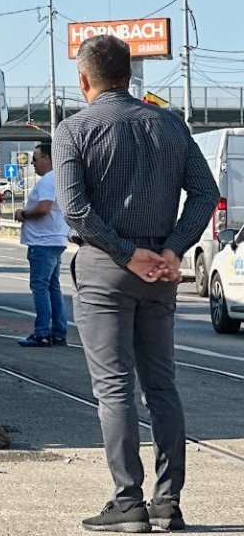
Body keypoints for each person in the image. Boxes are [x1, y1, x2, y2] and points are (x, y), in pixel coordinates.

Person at [53, 34, 217, 533]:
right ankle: (168, 501)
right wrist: (171, 249)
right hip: (160, 274)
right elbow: (205, 193)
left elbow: (74, 207)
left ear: (84, 80)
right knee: (162, 386)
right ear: (129, 75)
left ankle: (128, 503)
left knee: (114, 389)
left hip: (107, 268)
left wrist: (127, 253)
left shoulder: (73, 129)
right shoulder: (169, 124)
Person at [14, 142, 70, 348]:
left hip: (43, 241)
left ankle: (42, 333)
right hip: (55, 239)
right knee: (53, 288)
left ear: (47, 159)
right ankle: (58, 332)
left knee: (40, 287)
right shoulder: (61, 178)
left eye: (35, 158)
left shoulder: (48, 180)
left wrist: (23, 214)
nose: (32, 163)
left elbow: (45, 208)